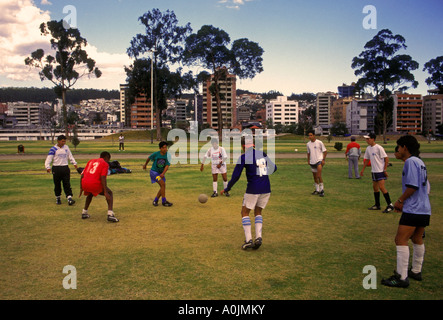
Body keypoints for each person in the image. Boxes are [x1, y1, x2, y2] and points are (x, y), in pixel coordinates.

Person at [381, 135, 431, 288]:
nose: (398, 149)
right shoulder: (420, 162)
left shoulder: (410, 162)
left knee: (400, 240)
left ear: (405, 148)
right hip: (424, 209)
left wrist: (400, 201)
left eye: (399, 146)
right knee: (417, 238)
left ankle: (402, 277)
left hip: (414, 209)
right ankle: (416, 270)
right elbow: (426, 187)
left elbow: (412, 186)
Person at [221, 136, 277, 250]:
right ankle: (258, 238)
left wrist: (227, 188)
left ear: (243, 146)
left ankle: (248, 240)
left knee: (244, 212)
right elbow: (274, 168)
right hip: (266, 187)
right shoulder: (262, 154)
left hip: (253, 188)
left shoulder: (244, 157)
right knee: (258, 211)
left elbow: (236, 176)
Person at [79, 151, 119, 222]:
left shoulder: (91, 161)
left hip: (85, 183)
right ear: (106, 158)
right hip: (94, 183)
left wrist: (81, 188)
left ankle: (84, 212)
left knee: (90, 193)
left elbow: (82, 174)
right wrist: (105, 192)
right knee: (110, 193)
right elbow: (103, 177)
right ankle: (110, 214)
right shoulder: (105, 164)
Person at [360, 133, 394, 213]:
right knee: (375, 188)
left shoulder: (379, 148)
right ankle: (377, 205)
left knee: (382, 188)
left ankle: (390, 205)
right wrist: (363, 169)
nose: (367, 140)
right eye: (366, 139)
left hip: (380, 171)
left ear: (373, 139)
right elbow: (367, 160)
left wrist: (384, 170)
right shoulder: (368, 148)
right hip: (374, 171)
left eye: (368, 139)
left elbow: (386, 158)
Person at [45, 135, 78, 205]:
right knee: (57, 184)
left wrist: (74, 163)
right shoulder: (53, 149)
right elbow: (49, 158)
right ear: (58, 141)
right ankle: (58, 198)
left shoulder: (66, 147)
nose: (64, 143)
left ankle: (69, 198)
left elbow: (70, 155)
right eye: (62, 141)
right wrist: (48, 167)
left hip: (65, 167)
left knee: (67, 183)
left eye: (64, 141)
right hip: (56, 168)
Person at [143, 141, 173, 207]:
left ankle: (155, 200)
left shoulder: (168, 155)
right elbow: (149, 158)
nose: (165, 149)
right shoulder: (156, 154)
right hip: (154, 173)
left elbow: (167, 166)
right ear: (160, 148)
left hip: (160, 173)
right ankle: (164, 201)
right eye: (164, 148)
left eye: (166, 147)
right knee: (163, 184)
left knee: (163, 186)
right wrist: (145, 165)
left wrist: (163, 173)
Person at [306, 130, 327, 197]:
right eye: (309, 135)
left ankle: (322, 190)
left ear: (314, 135)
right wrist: (308, 160)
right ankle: (317, 190)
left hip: (319, 161)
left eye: (311, 135)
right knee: (315, 177)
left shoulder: (319, 142)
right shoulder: (308, 144)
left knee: (318, 175)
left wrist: (323, 159)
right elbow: (308, 153)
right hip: (312, 162)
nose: (309, 136)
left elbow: (325, 151)